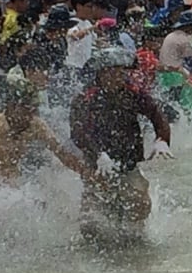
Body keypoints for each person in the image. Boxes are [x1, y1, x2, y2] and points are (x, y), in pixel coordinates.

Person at [69, 46, 172, 240]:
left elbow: (158, 117)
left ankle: (133, 243)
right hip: (96, 164)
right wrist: (98, 153)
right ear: (102, 73)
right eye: (114, 71)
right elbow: (77, 132)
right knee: (90, 223)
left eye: (122, 71)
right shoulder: (85, 98)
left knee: (139, 205)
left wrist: (162, 140)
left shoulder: (133, 94)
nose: (120, 75)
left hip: (128, 160)